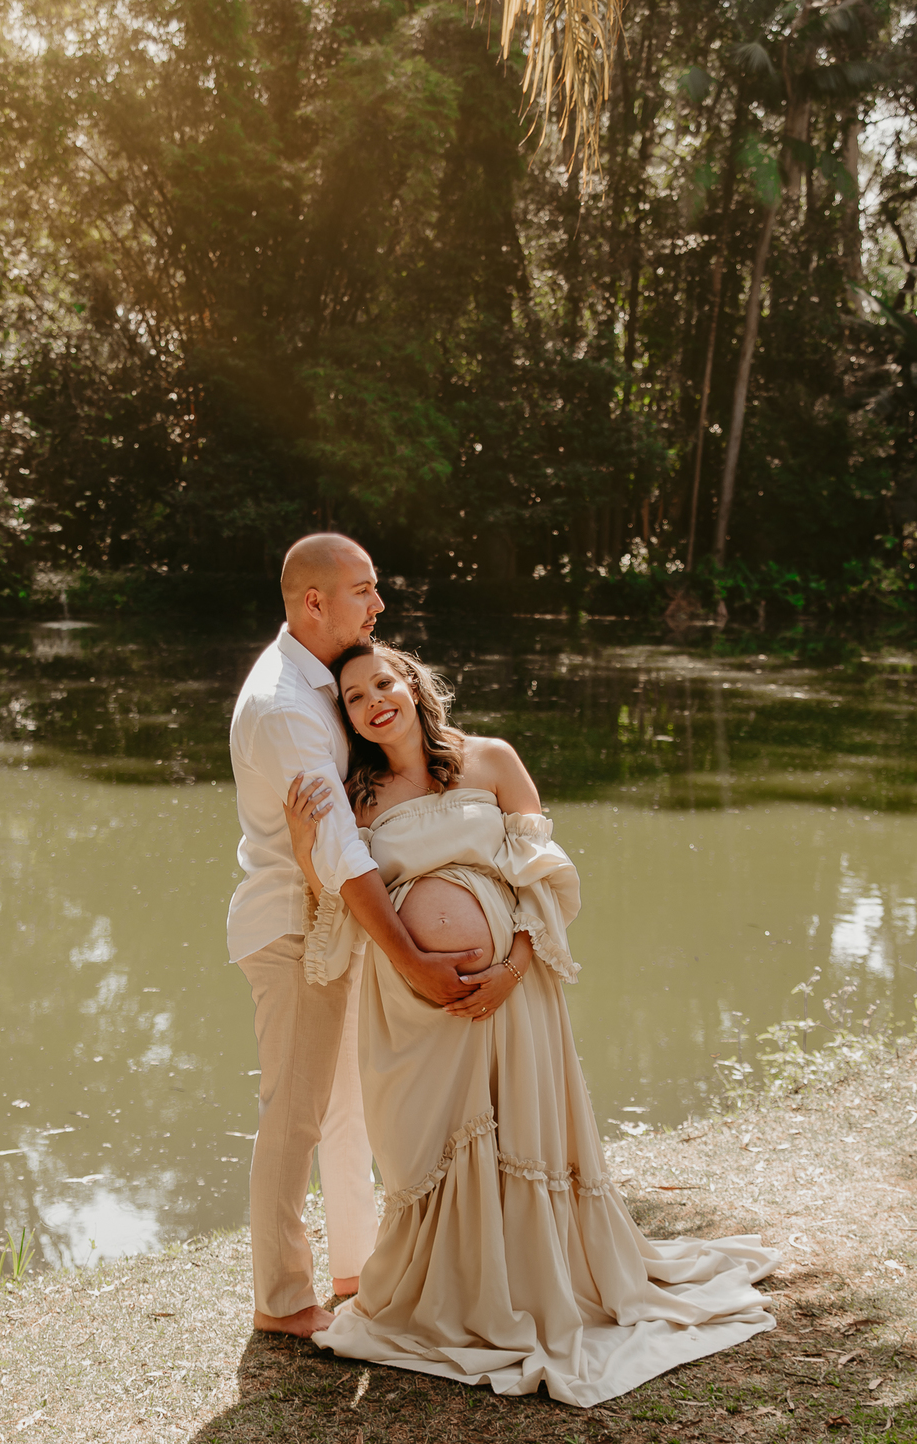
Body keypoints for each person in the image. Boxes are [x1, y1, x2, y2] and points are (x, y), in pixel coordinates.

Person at [284, 642, 780, 1407]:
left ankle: (537, 1287)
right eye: (354, 697)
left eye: (383, 683)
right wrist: (301, 843)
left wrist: (511, 970)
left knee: (521, 1132)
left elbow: (541, 878)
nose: (373, 701)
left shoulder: (490, 760)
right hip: (414, 1010)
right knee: (423, 1144)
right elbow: (342, 903)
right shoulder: (360, 798)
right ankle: (455, 1295)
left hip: (516, 994)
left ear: (412, 686)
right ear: (347, 718)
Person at [227, 536, 486, 1340]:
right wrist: (411, 959)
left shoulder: (321, 683)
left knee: (344, 1112)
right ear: (315, 602)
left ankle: (354, 1269)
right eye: (365, 590)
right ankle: (280, 1300)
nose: (379, 604)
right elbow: (337, 848)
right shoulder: (284, 707)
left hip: (329, 923)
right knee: (295, 1115)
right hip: (294, 930)